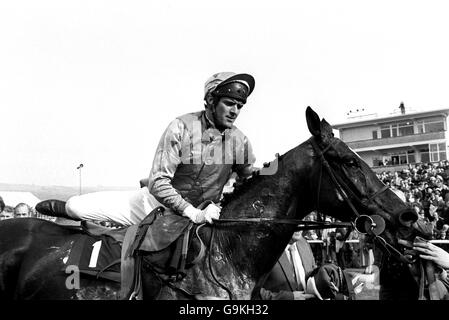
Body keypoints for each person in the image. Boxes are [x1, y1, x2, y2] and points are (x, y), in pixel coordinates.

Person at [56, 72, 256, 226]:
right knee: (75, 207)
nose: (234, 112)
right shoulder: (181, 127)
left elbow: (249, 177)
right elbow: (158, 182)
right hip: (153, 206)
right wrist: (192, 212)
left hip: (205, 214)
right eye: (229, 104)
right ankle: (59, 209)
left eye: (239, 106)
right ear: (211, 101)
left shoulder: (240, 141)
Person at [253, 231, 317, 300]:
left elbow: (313, 273)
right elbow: (251, 290)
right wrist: (288, 297)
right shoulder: (264, 248)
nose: (299, 228)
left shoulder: (304, 243)